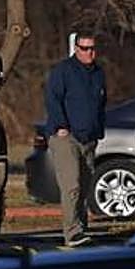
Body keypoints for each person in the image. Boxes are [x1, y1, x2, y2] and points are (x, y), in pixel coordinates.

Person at [44, 33, 107, 246]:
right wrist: (61, 126)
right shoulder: (63, 71)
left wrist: (98, 131)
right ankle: (72, 233)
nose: (90, 53)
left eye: (93, 48)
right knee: (72, 185)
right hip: (66, 137)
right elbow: (52, 99)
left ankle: (82, 227)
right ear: (76, 49)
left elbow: (101, 103)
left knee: (85, 185)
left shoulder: (98, 73)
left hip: (88, 137)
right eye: (85, 48)